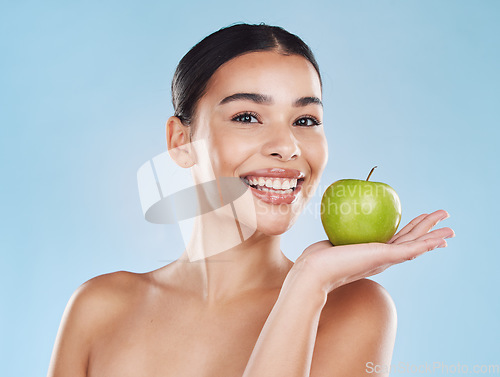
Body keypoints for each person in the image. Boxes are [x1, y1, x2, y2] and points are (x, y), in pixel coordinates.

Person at [47, 23, 455, 377]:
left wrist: (307, 284)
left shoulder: (354, 310)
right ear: (180, 141)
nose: (287, 145)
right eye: (247, 117)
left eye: (306, 120)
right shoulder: (98, 308)